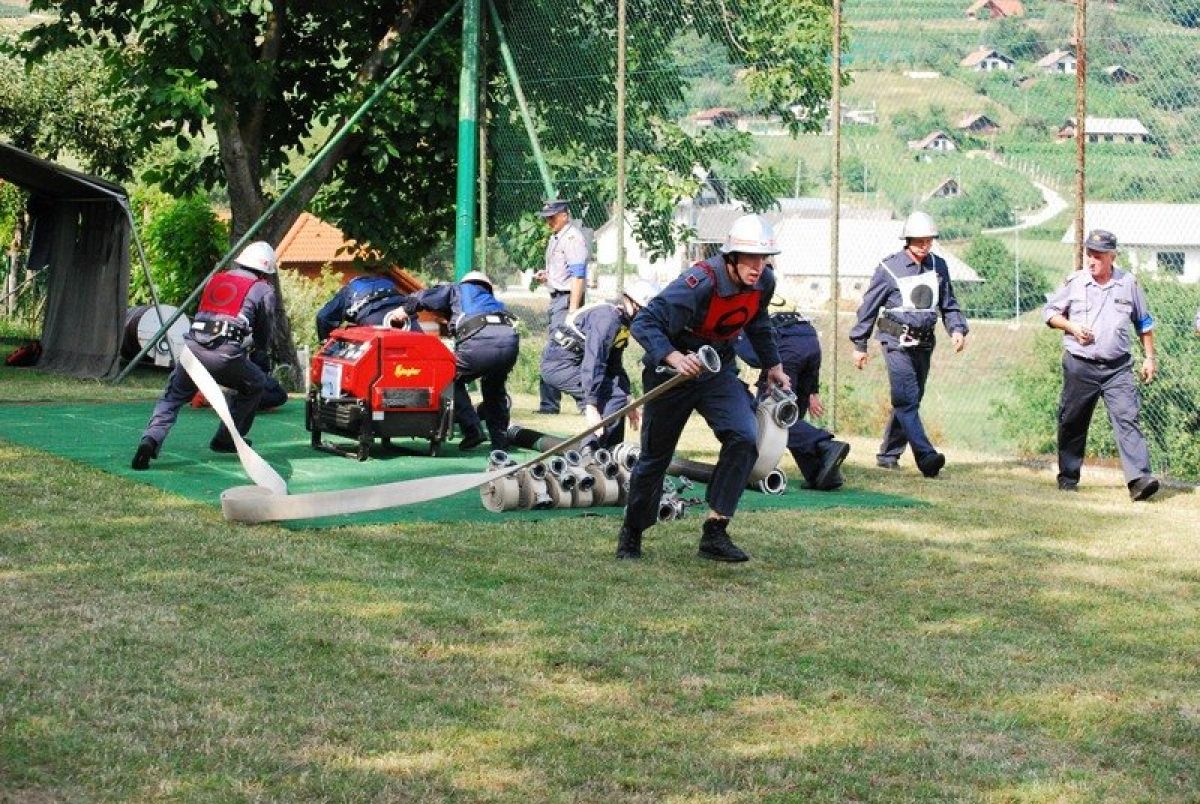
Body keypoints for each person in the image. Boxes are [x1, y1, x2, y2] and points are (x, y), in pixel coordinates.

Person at [616, 214, 790, 563]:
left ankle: (715, 531)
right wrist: (674, 357)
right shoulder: (698, 282)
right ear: (732, 257)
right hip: (671, 373)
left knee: (743, 436)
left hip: (717, 368)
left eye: (764, 258)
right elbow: (645, 322)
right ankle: (631, 533)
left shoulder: (764, 283)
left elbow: (758, 322)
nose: (758, 267)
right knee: (656, 456)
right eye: (751, 258)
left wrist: (773, 365)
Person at [132, 241, 278, 470]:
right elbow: (264, 331)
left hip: (192, 348)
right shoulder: (263, 289)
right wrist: (260, 348)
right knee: (256, 383)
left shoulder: (217, 278)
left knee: (173, 397)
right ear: (266, 271)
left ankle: (150, 439)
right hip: (225, 354)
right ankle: (226, 439)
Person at [849, 211, 968, 478]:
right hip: (894, 339)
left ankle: (888, 455)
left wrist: (957, 328)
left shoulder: (938, 266)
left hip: (924, 341)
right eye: (919, 241)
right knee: (907, 399)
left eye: (929, 241)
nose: (925, 246)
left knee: (909, 400)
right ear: (908, 240)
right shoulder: (888, 268)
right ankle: (926, 457)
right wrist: (860, 344)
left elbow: (948, 303)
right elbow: (868, 308)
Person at [1044, 229, 1160, 501]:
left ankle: (1139, 480)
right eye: (1089, 254)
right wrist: (1072, 327)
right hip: (1080, 365)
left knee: (1128, 418)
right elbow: (1050, 313)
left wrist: (1149, 357)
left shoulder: (1128, 283)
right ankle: (1068, 477)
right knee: (1072, 421)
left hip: (1117, 368)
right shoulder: (1075, 282)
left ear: (1112, 257)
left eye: (1098, 256)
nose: (1092, 260)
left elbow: (1144, 322)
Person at [385, 271, 518, 451]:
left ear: (465, 282)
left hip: (478, 343)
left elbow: (424, 297)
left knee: (447, 378)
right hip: (510, 344)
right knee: (494, 389)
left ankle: (472, 428)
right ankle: (500, 442)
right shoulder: (493, 302)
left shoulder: (457, 289)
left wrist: (404, 310)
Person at [735, 307, 850, 491]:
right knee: (792, 417)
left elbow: (755, 357)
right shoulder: (758, 300)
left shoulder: (735, 316)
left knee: (773, 416)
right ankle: (821, 473)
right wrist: (812, 390)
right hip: (810, 339)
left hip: (785, 345)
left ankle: (823, 443)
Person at [540, 279, 660, 450]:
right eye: (645, 312)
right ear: (633, 303)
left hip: (577, 364)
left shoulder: (622, 322)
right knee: (613, 398)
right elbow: (595, 360)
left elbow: (614, 365)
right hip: (560, 365)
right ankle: (589, 454)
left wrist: (628, 398)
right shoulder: (607, 318)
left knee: (619, 399)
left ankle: (611, 454)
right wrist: (591, 404)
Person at [533, 198, 589, 414]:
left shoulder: (573, 238)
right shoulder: (557, 237)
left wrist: (572, 311)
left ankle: (583, 401)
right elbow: (565, 273)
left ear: (565, 216)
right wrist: (547, 276)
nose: (548, 221)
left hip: (567, 301)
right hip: (558, 299)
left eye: (552, 217)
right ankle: (554, 404)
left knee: (558, 353)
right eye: (547, 218)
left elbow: (578, 276)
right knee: (559, 352)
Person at [315, 273, 414, 340]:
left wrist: (328, 342)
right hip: (406, 316)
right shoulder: (388, 283)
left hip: (372, 318)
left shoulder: (348, 290)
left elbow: (323, 316)